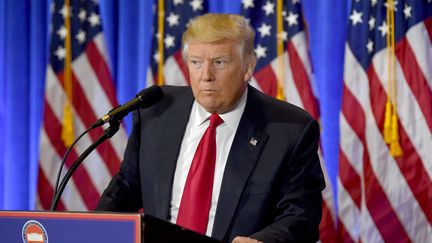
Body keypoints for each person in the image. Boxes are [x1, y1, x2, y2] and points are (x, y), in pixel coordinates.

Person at [96, 13, 325, 243]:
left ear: (248, 67)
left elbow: (301, 215)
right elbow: (124, 190)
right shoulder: (155, 112)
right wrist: (90, 230)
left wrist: (263, 241)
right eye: (196, 62)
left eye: (219, 62)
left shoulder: (289, 130)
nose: (206, 76)